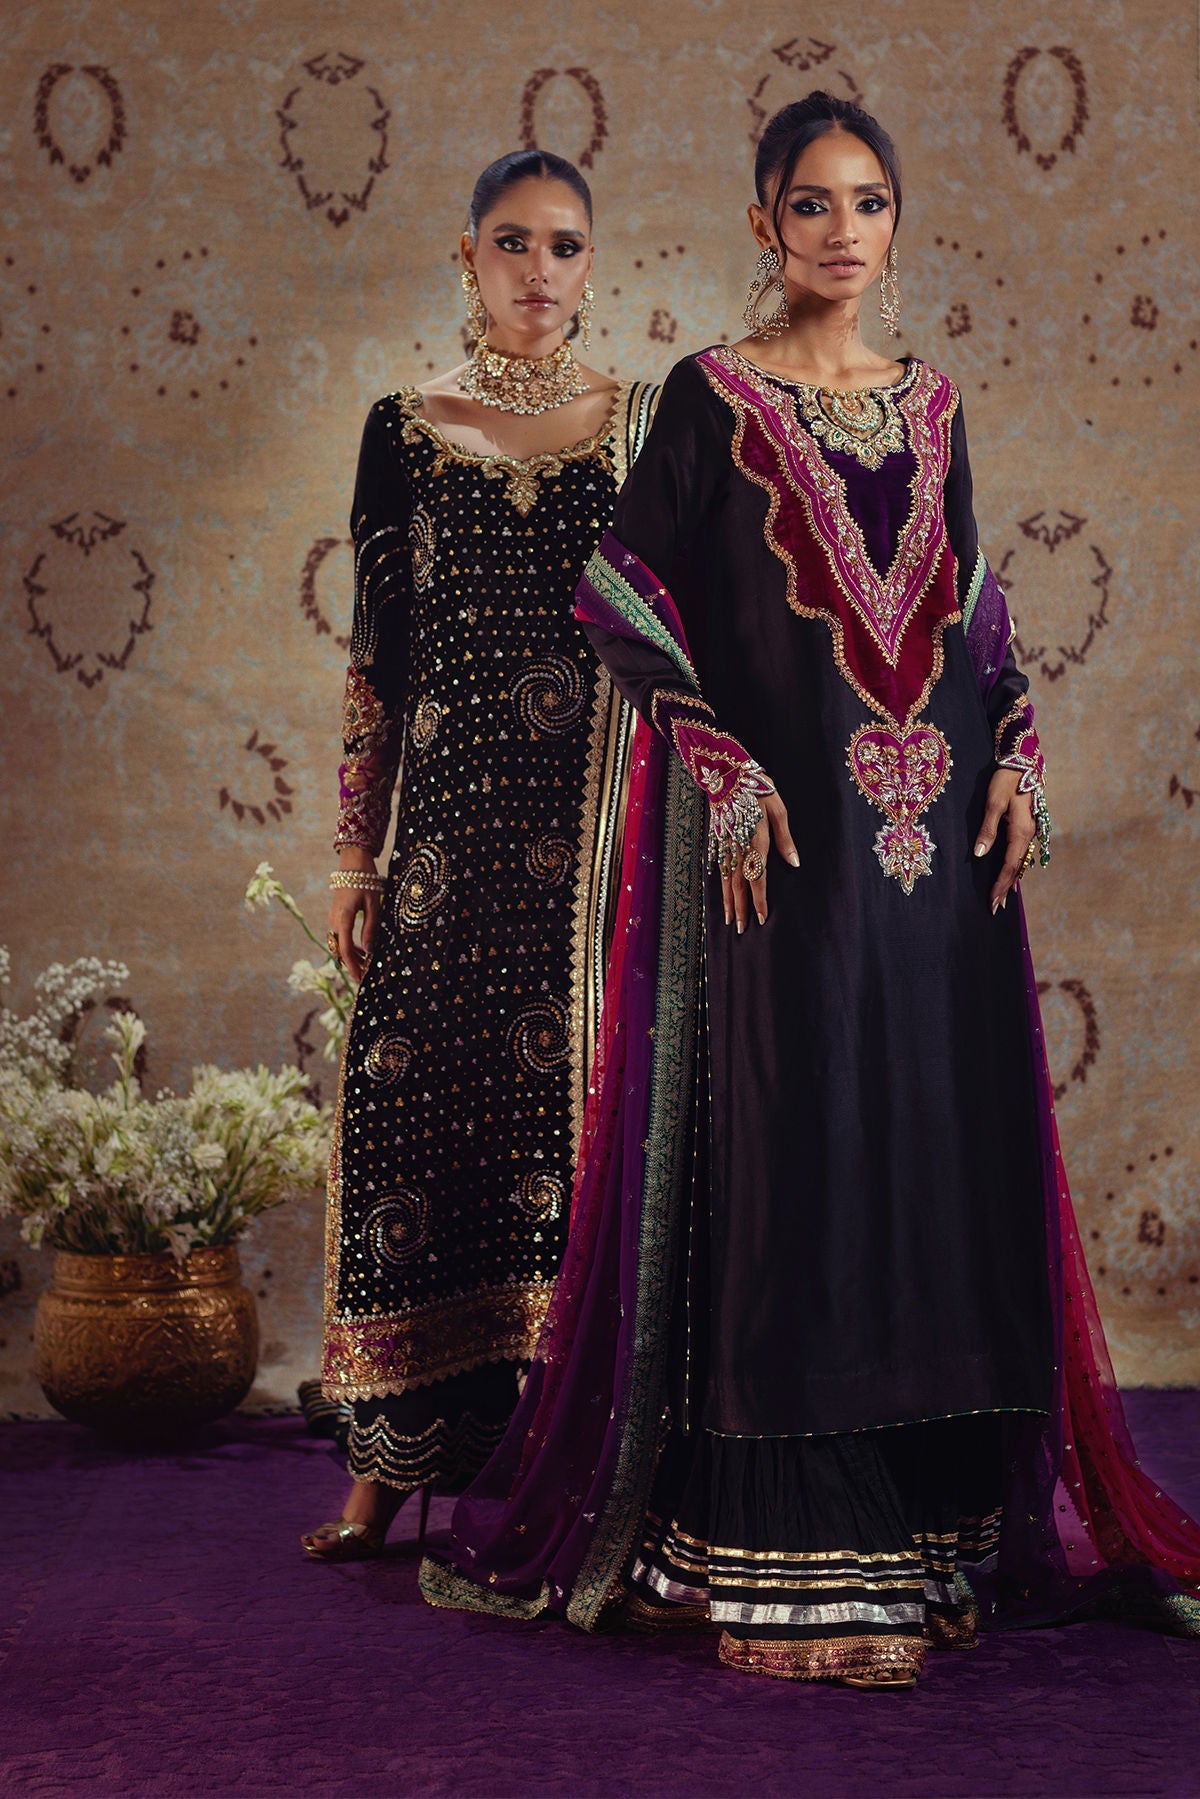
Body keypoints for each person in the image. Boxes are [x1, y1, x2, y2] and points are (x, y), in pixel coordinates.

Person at [420, 93, 1200, 1683]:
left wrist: (1022, 756)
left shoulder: (937, 406)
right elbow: (620, 589)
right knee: (810, 1157)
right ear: (764, 223)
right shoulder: (713, 397)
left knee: (933, 1155)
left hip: (942, 865)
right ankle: (791, 1570)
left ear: (896, 221)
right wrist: (719, 759)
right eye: (813, 204)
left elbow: (976, 616)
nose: (845, 231)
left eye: (870, 202)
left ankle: (925, 1542)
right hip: (786, 855)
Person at [302, 150, 658, 1560]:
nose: (538, 271)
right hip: (448, 849)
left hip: (592, 851)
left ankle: (588, 1463)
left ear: (591, 264)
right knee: (412, 1115)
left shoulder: (641, 429)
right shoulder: (404, 430)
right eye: (512, 242)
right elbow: (377, 660)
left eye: (564, 245)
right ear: (468, 256)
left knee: (572, 1140)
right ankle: (384, 1469)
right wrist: (355, 857)